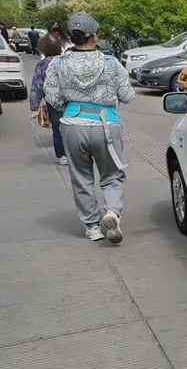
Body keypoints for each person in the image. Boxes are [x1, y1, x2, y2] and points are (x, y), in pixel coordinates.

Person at [44, 12, 135, 243]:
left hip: (73, 125)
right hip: (107, 124)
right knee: (112, 175)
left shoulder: (57, 64)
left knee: (81, 177)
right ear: (95, 35)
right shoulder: (111, 63)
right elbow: (127, 96)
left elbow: (53, 100)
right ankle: (112, 212)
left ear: (71, 36)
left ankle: (92, 227)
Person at [29, 34, 68, 165]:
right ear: (60, 47)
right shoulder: (67, 61)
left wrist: (34, 108)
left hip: (53, 101)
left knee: (57, 129)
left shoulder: (42, 65)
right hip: (72, 100)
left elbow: (37, 86)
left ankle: (62, 155)